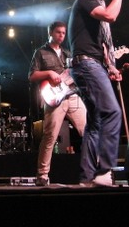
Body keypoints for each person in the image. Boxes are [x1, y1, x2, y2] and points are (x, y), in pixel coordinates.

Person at [67, 0, 125, 188]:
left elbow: (101, 42)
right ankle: (105, 170)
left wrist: (111, 66)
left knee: (95, 122)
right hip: (87, 64)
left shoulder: (94, 5)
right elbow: (111, 15)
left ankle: (87, 176)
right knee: (112, 112)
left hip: (90, 64)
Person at [29, 21, 86, 186]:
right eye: (58, 32)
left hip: (73, 96)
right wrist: (49, 73)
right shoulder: (40, 52)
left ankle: (98, 170)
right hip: (54, 98)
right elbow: (32, 76)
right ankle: (42, 175)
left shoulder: (68, 53)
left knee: (89, 132)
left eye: (63, 33)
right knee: (50, 136)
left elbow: (76, 74)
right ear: (50, 33)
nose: (61, 35)